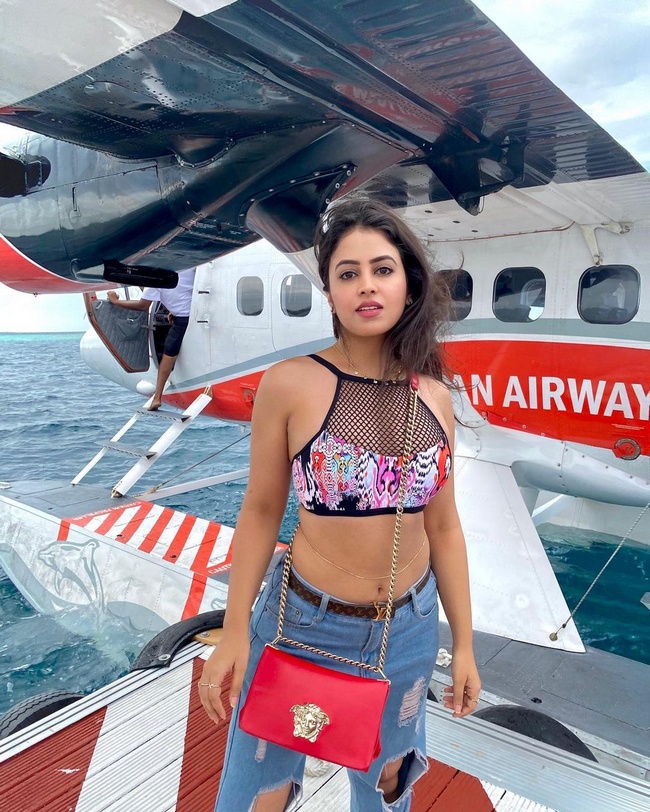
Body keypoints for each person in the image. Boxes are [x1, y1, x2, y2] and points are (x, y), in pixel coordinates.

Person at [200, 200, 480, 812]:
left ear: (409, 284)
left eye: (382, 269)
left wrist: (463, 644)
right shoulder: (291, 383)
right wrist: (234, 630)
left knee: (389, 782)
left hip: (408, 625)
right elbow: (261, 510)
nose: (367, 286)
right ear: (329, 293)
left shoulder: (434, 395)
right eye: (348, 274)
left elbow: (444, 528)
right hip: (302, 622)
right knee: (261, 789)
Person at [107, 268, 196, 409]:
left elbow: (142, 305)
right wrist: (174, 311)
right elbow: (189, 291)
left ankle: (157, 398)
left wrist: (116, 302)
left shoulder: (155, 277)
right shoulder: (190, 266)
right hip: (194, 313)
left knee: (168, 355)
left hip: (182, 320)